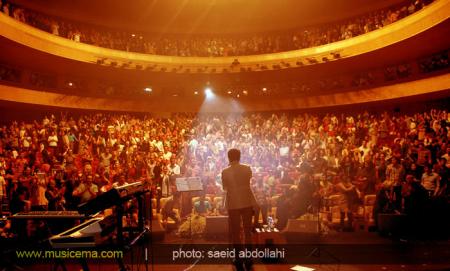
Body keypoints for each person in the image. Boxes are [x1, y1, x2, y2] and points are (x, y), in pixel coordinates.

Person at [221, 148, 257, 271]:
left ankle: (238, 258)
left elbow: (225, 187)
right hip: (247, 201)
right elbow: (248, 183)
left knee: (236, 232)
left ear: (229, 157)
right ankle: (249, 258)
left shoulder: (225, 171)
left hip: (233, 203)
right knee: (247, 231)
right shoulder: (247, 168)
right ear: (239, 156)